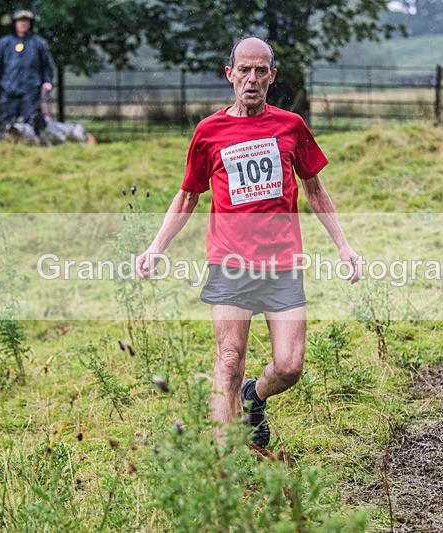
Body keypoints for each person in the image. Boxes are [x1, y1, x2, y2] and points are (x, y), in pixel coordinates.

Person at [135, 36, 361, 449]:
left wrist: (344, 246)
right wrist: (155, 248)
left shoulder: (291, 126)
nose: (252, 79)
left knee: (290, 366)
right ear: (230, 75)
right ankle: (226, 463)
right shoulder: (209, 131)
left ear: (272, 77)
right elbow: (188, 195)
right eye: (244, 70)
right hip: (230, 263)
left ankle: (253, 396)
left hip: (283, 264)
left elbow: (315, 189)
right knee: (229, 358)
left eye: (261, 71)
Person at [0, 7, 55, 140]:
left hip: (30, 91)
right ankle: (3, 148)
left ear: (30, 23)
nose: (23, 23)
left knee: (33, 122)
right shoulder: (4, 43)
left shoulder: (39, 43)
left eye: (26, 21)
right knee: (5, 123)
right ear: (14, 23)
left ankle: (34, 150)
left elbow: (47, 66)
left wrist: (48, 81)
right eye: (20, 20)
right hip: (8, 90)